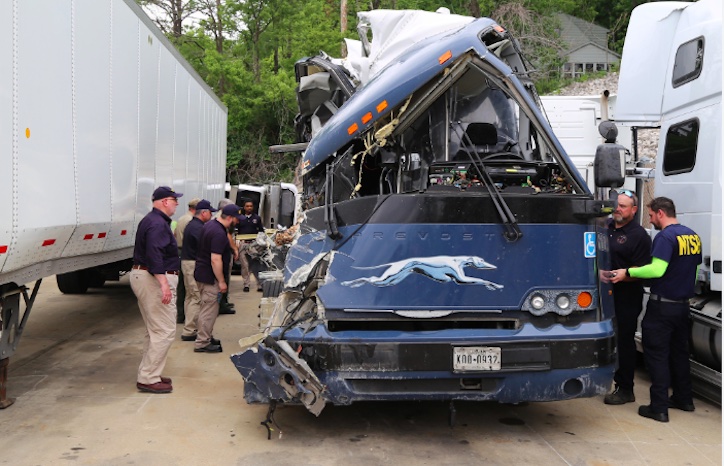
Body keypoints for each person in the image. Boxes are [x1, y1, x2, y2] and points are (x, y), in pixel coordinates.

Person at [610, 197, 702, 422]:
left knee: (656, 356)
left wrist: (628, 273)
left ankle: (658, 407)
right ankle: (683, 398)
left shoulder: (666, 237)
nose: (650, 220)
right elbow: (696, 270)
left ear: (660, 213)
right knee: (679, 354)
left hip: (663, 306)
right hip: (683, 305)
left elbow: (657, 269)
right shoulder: (692, 235)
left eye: (651, 216)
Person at [130, 186, 183, 394]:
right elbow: (154, 254)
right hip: (152, 278)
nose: (177, 203)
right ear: (163, 201)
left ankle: (149, 373)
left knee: (155, 331)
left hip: (146, 276)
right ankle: (148, 378)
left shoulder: (153, 221)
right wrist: (163, 283)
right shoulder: (157, 224)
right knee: (164, 330)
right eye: (174, 199)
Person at [602, 190, 652, 405]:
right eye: (617, 205)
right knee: (606, 340)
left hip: (626, 297)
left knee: (623, 341)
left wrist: (621, 275)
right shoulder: (606, 227)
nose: (618, 209)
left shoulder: (639, 235)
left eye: (623, 206)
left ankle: (625, 389)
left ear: (634, 209)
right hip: (603, 294)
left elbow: (641, 270)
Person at [193, 204, 243, 353]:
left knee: (206, 308)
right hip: (209, 277)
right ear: (229, 218)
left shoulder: (211, 225)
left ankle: (205, 335)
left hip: (202, 273)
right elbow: (215, 259)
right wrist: (221, 281)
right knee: (209, 310)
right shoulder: (218, 233)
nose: (237, 222)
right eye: (236, 219)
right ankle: (202, 342)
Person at [179, 199, 217, 342]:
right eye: (210, 213)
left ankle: (189, 327)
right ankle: (190, 330)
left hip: (187, 261)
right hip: (192, 263)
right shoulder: (198, 228)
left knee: (190, 296)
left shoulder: (193, 224)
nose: (212, 216)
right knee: (196, 297)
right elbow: (204, 246)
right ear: (204, 213)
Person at [173, 198, 201, 324]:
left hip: (179, 252)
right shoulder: (191, 221)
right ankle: (186, 316)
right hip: (187, 254)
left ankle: (180, 314)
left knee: (182, 287)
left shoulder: (181, 219)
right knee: (190, 290)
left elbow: (174, 234)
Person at [216, 198, 239, 314]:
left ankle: (223, 302)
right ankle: (221, 304)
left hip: (224, 253)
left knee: (226, 278)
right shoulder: (220, 220)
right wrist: (234, 248)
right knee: (223, 279)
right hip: (221, 254)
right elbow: (227, 235)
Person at [237, 200, 265, 292]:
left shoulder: (257, 218)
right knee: (245, 265)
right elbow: (237, 231)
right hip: (243, 243)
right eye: (247, 206)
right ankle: (246, 284)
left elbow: (261, 231)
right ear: (244, 207)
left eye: (251, 206)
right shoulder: (239, 219)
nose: (249, 208)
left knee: (256, 264)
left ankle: (260, 285)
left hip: (254, 244)